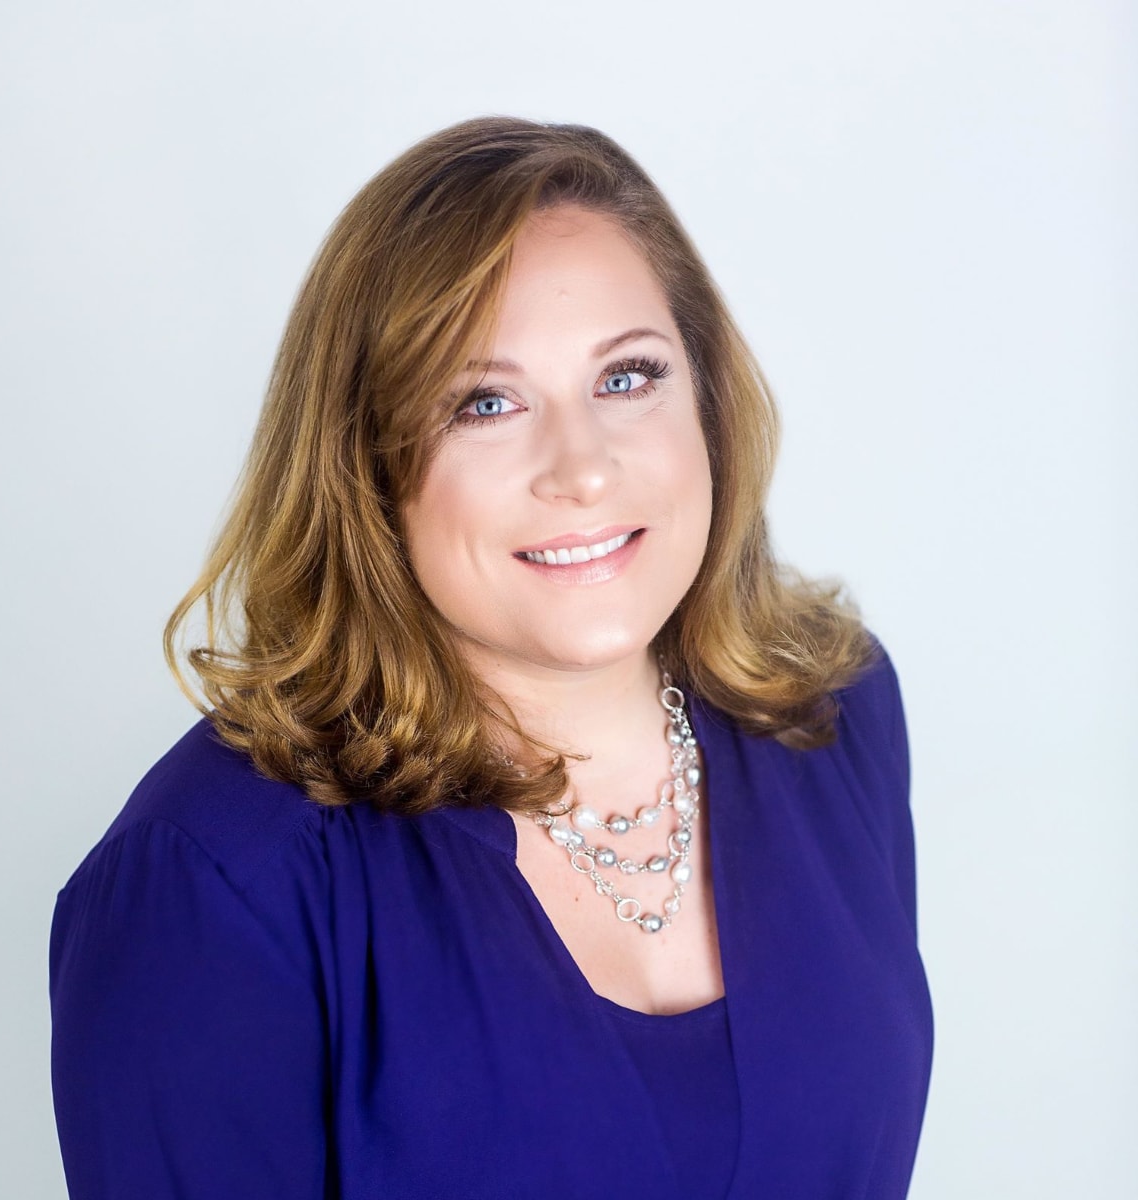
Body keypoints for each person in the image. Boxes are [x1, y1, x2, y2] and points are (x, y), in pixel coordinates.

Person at [49, 116, 932, 1199]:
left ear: (707, 402)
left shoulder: (831, 719)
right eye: (485, 402)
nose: (583, 469)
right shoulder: (214, 884)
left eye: (628, 377)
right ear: (364, 467)